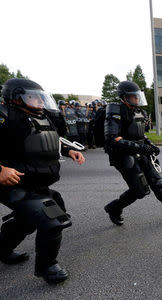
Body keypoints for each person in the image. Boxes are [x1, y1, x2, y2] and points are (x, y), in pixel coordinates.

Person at [0, 78, 85, 284]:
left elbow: (46, 141)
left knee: (27, 220)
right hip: (10, 182)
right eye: (32, 97)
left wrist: (68, 150)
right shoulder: (5, 116)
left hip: (33, 182)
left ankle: (3, 249)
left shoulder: (40, 117)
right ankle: (48, 267)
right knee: (52, 219)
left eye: (40, 97)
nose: (38, 101)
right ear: (16, 99)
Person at [103, 81, 162, 225]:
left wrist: (151, 145)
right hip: (123, 156)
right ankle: (114, 208)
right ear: (124, 97)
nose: (137, 99)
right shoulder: (115, 110)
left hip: (139, 152)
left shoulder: (138, 111)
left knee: (156, 181)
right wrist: (140, 148)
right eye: (133, 97)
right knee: (140, 191)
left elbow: (141, 135)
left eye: (138, 96)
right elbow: (113, 139)